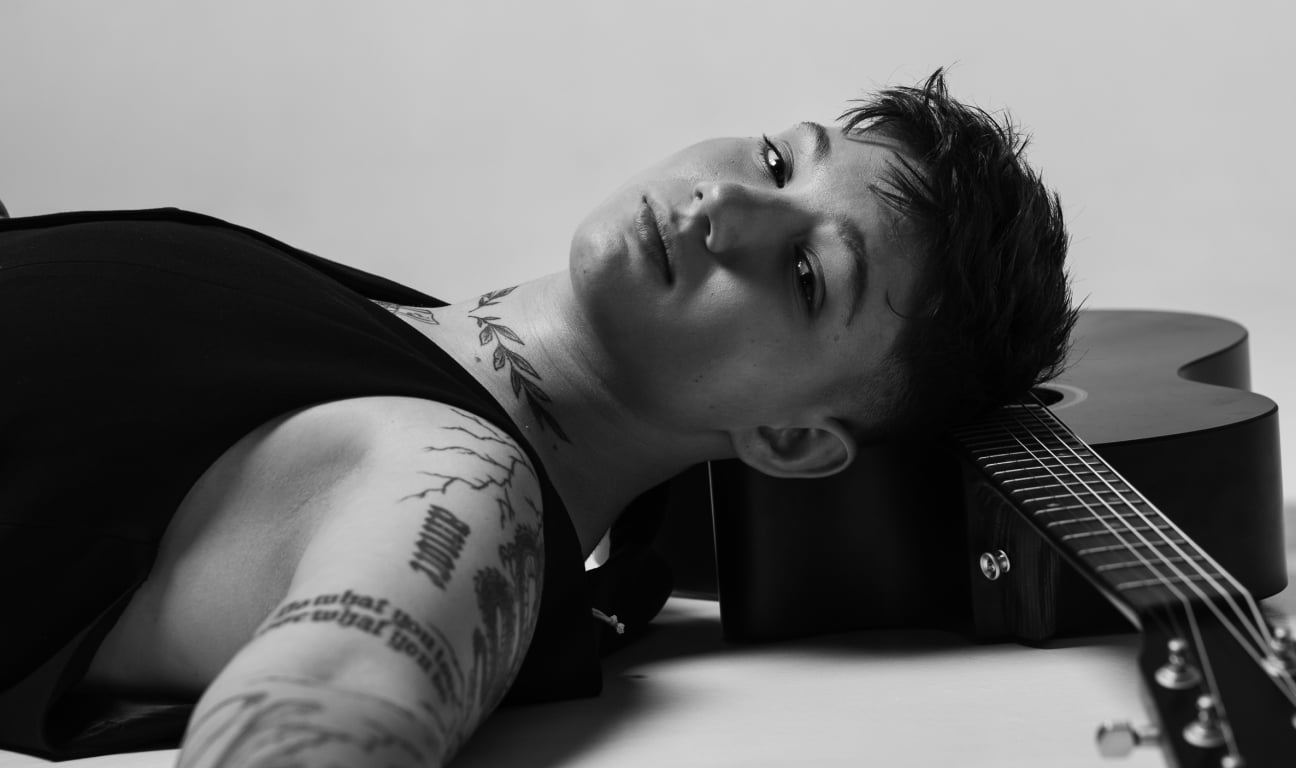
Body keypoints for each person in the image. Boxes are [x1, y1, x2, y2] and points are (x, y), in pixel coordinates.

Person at [0, 69, 1074, 765]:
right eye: (777, 160)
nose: (726, 206)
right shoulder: (404, 329)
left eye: (804, 273)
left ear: (790, 438)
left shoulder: (460, 488)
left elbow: (333, 705)